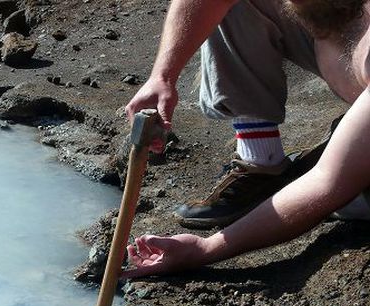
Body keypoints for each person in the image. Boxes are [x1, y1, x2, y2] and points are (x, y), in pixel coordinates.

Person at [121, 0, 370, 278]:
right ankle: (261, 163)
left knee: (348, 200)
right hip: (349, 36)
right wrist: (163, 76)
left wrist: (205, 249)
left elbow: (326, 183)